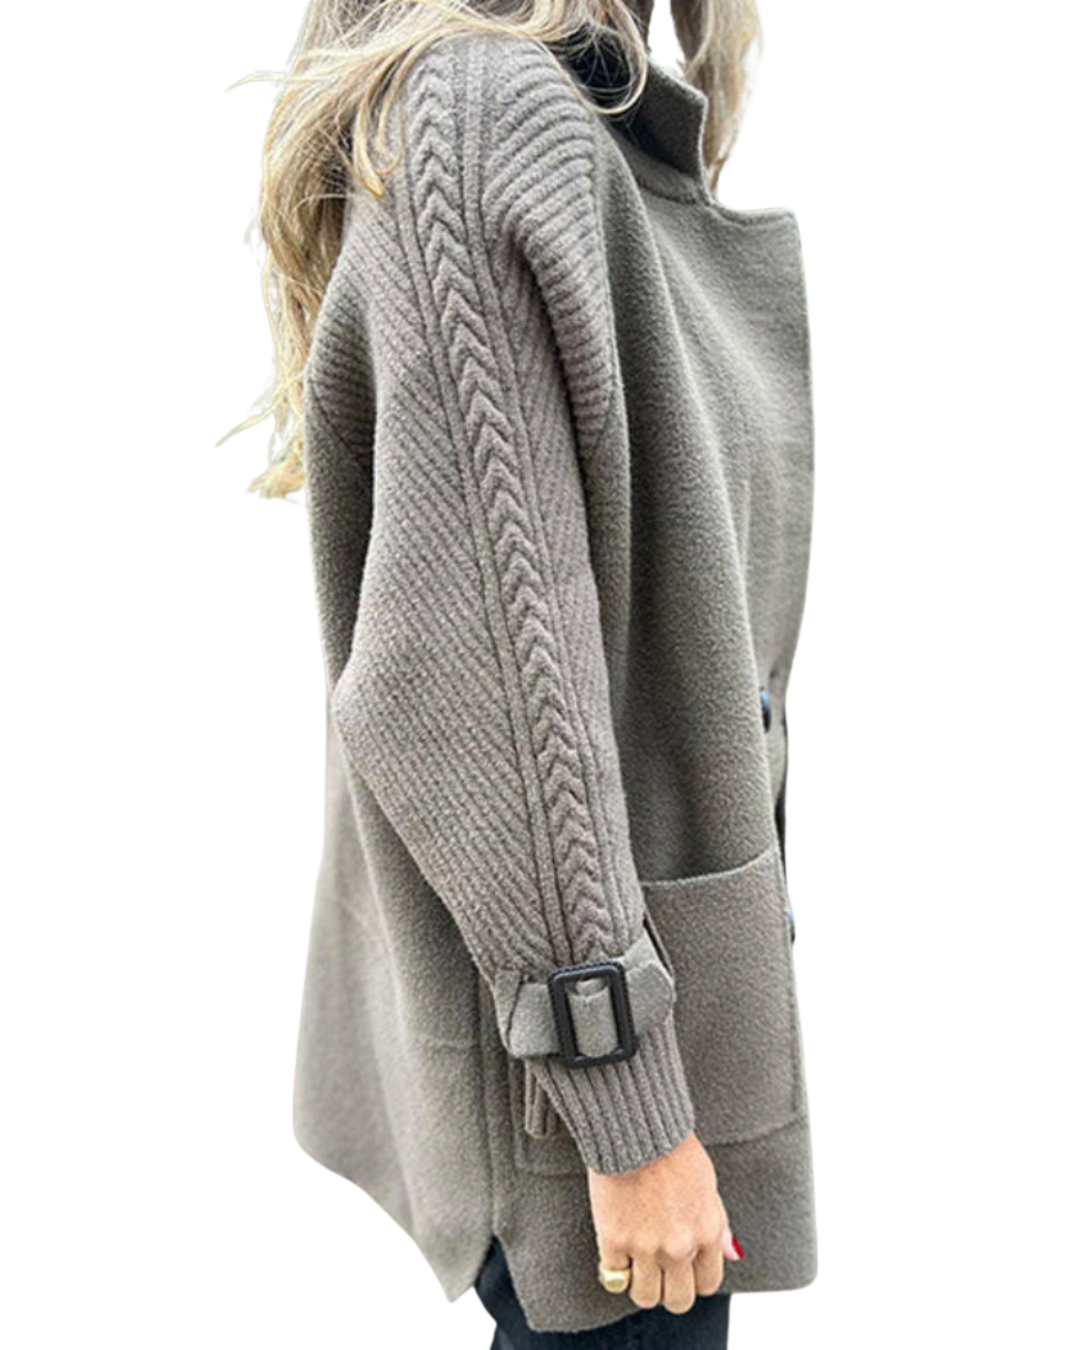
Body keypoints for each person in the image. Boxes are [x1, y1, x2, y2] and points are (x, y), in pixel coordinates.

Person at [236, 2, 818, 1344]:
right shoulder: (486, 121)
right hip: (597, 1099)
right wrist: (627, 1105)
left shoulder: (539, 115)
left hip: (623, 1040)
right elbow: (488, 694)